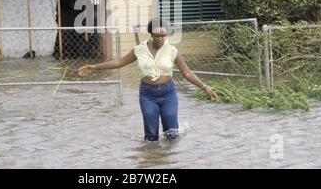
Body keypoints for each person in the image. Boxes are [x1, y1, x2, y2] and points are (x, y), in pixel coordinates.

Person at [78, 18, 218, 142]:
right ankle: (152, 160)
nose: (161, 39)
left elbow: (187, 73)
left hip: (168, 93)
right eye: (157, 36)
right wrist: (95, 67)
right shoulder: (139, 50)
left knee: (172, 133)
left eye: (164, 35)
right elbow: (119, 62)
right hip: (148, 94)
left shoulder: (172, 50)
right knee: (151, 133)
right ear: (151, 34)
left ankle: (171, 161)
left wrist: (205, 87)